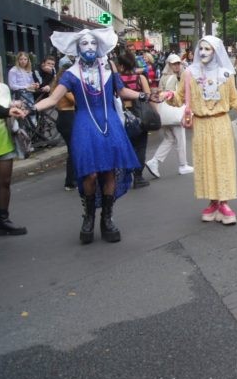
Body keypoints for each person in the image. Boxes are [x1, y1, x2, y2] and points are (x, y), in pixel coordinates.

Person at [31, 28, 149, 244]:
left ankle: (107, 218)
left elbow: (122, 92)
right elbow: (52, 99)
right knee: (90, 174)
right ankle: (88, 216)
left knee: (110, 172)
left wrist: (145, 95)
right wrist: (30, 108)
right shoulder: (71, 73)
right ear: (78, 48)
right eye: (85, 44)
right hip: (85, 124)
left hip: (109, 122)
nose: (90, 47)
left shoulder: (109, 67)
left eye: (93, 44)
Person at [162, 35, 237, 224]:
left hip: (221, 123)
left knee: (222, 162)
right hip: (200, 124)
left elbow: (234, 100)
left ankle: (224, 202)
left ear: (216, 51)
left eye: (207, 49)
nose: (203, 52)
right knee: (205, 162)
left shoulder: (226, 74)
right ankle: (212, 201)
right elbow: (179, 98)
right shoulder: (189, 73)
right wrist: (167, 95)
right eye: (200, 48)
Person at [0, 51, 29, 244]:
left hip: (3, 142)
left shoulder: (3, 88)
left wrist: (17, 111)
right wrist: (5, 111)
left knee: (4, 183)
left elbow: (7, 111)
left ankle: (3, 222)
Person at [146, 54, 193, 178]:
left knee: (169, 139)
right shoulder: (178, 76)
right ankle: (183, 165)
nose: (177, 65)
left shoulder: (163, 76)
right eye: (174, 63)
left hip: (164, 112)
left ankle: (154, 161)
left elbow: (160, 92)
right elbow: (180, 94)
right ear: (169, 64)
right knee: (180, 139)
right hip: (175, 111)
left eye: (178, 63)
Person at [117, 52, 152, 189]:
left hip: (121, 114)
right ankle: (138, 177)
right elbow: (147, 96)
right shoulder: (140, 78)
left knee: (126, 146)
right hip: (138, 114)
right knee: (140, 146)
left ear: (120, 65)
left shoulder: (117, 79)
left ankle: (125, 175)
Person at [54, 61, 78, 190]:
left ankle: (73, 178)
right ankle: (71, 180)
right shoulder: (65, 87)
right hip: (67, 117)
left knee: (73, 149)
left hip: (63, 117)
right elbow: (75, 100)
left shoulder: (57, 84)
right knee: (73, 150)